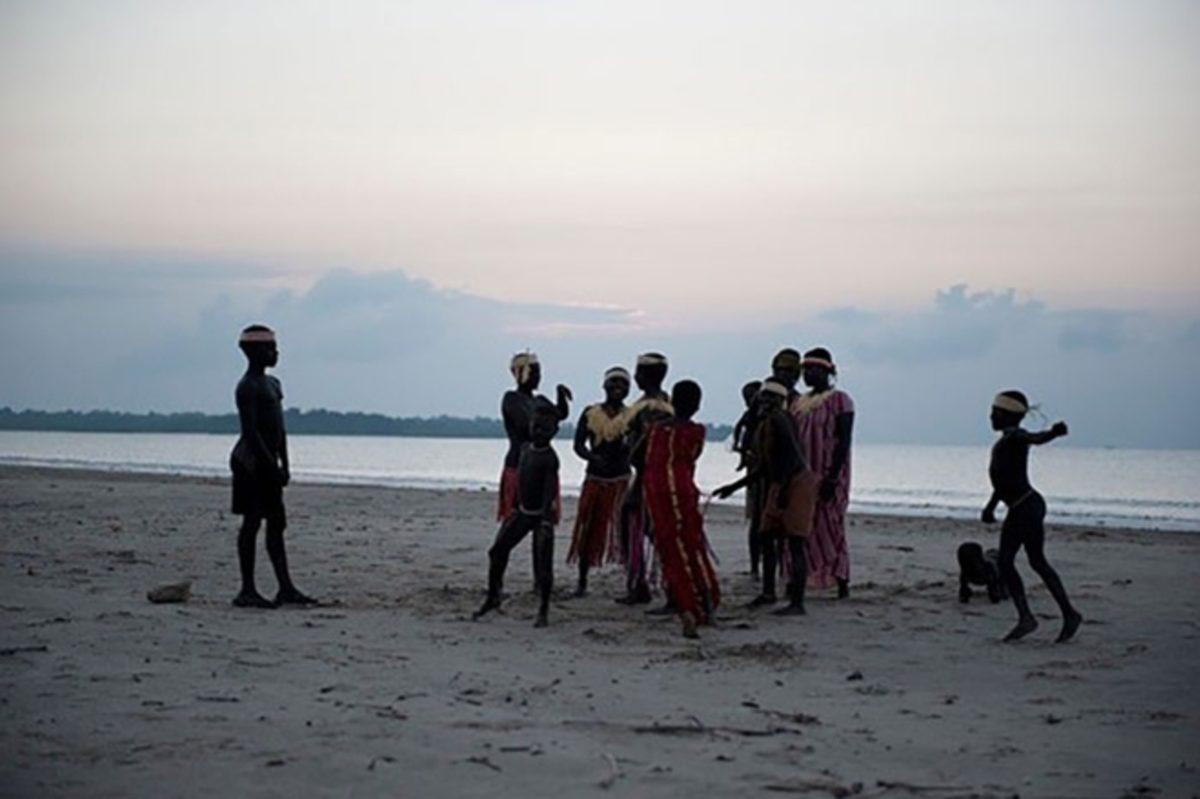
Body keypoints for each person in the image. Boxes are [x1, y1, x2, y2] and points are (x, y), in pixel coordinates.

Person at [982, 391, 1082, 643]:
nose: (990, 417)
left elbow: (1034, 438)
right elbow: (1002, 480)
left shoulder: (1015, 437)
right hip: (1023, 506)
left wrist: (1052, 433)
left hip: (1025, 507)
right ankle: (1063, 615)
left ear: (1006, 415)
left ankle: (1032, 617)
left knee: (1013, 562)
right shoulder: (1006, 441)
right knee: (1032, 562)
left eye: (995, 413)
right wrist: (991, 506)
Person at [228, 325, 315, 609]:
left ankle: (285, 587)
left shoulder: (274, 384)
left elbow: (280, 429)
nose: (275, 353)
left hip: (270, 462)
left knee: (277, 523)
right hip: (250, 463)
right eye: (269, 348)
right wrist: (269, 465)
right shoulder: (247, 387)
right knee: (252, 522)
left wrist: (284, 463)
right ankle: (247, 589)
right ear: (253, 352)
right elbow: (251, 432)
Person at [715, 379, 818, 615]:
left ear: (780, 401)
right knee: (766, 536)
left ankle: (796, 603)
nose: (764, 401)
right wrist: (733, 486)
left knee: (794, 543)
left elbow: (794, 458)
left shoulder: (780, 419)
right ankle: (769, 593)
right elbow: (764, 466)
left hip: (795, 483)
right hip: (780, 482)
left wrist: (782, 492)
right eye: (763, 396)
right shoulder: (766, 423)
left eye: (771, 397)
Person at [641, 380, 720, 638]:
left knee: (670, 550)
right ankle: (704, 605)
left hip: (656, 493)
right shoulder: (696, 431)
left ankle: (685, 605)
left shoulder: (655, 430)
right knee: (692, 547)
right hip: (683, 492)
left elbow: (639, 457)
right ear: (697, 405)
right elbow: (692, 457)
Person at [475, 397, 563, 628]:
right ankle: (493, 596)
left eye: (546, 428)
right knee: (497, 551)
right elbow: (519, 483)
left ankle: (543, 608)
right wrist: (513, 508)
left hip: (540, 515)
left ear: (555, 431)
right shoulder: (525, 449)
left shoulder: (550, 458)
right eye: (536, 425)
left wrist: (545, 519)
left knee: (544, 566)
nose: (540, 431)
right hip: (523, 512)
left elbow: (549, 491)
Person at [792, 348, 855, 599]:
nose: (808, 374)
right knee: (802, 526)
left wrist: (832, 477)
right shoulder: (799, 402)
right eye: (805, 369)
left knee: (831, 525)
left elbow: (844, 441)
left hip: (829, 473)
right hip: (803, 474)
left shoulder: (840, 400)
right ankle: (801, 578)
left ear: (828, 371)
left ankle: (841, 581)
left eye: (813, 369)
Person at [567, 366, 633, 597]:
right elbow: (578, 445)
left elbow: (638, 446)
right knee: (588, 530)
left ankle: (632, 582)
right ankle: (582, 581)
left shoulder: (632, 415)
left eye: (623, 384)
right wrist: (592, 457)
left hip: (622, 480)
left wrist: (628, 452)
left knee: (626, 531)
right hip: (595, 478)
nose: (618, 388)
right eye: (613, 383)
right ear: (604, 386)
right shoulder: (590, 413)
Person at [614, 353, 674, 605]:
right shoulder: (664, 403)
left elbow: (648, 445)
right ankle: (641, 584)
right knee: (644, 528)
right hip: (653, 477)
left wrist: (631, 454)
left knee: (642, 527)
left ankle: (642, 585)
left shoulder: (651, 408)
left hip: (648, 478)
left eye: (638, 373)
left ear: (646, 376)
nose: (635, 377)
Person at [498, 352, 571, 522]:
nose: (538, 377)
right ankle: (500, 549)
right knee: (515, 518)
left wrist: (561, 395)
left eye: (539, 373)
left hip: (541, 466)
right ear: (522, 373)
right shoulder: (511, 399)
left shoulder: (539, 400)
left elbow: (561, 414)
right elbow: (526, 427)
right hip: (519, 464)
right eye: (534, 372)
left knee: (544, 521)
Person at [732, 380, 765, 578]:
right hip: (754, 471)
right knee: (756, 520)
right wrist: (743, 454)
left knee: (762, 521)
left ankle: (759, 566)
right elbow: (740, 433)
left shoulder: (764, 416)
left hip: (763, 471)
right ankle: (754, 566)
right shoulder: (751, 416)